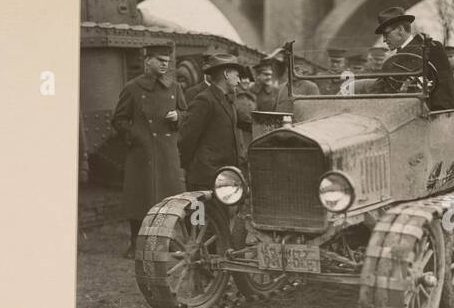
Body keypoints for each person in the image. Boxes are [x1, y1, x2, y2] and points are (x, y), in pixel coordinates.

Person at [110, 45, 187, 257]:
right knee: (139, 198)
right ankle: (136, 243)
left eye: (167, 61)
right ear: (148, 61)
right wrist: (137, 136)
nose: (165, 64)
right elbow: (119, 119)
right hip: (142, 153)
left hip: (166, 151)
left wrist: (178, 117)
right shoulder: (133, 88)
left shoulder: (174, 88)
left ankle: (167, 239)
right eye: (160, 60)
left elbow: (185, 112)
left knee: (168, 199)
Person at [179, 52, 246, 191]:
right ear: (227, 74)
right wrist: (191, 169)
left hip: (224, 176)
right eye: (237, 75)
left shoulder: (228, 100)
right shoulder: (204, 100)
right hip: (206, 178)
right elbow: (186, 139)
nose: (239, 81)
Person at [373, 6, 454, 110]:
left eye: (386, 34)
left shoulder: (431, 49)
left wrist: (434, 118)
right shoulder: (390, 63)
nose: (384, 40)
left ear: (400, 30)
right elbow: (376, 91)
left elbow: (444, 91)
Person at [253, 54, 319, 114]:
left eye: (296, 69)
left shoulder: (311, 87)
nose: (292, 72)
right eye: (289, 68)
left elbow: (314, 112)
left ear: (303, 71)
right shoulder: (281, 87)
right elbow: (274, 110)